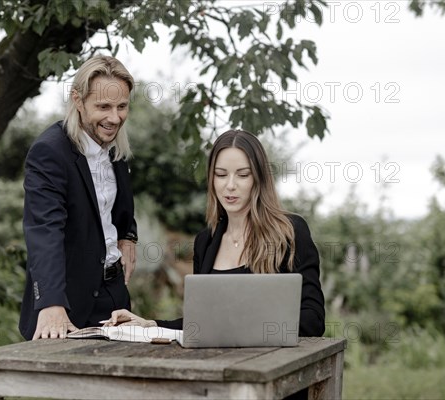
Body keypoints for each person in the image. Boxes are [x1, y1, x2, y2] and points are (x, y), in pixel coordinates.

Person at [107, 129, 325, 337]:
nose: (230, 185)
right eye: (221, 175)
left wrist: (243, 328)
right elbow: (201, 323)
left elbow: (313, 320)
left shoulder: (289, 232)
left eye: (242, 175)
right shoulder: (206, 241)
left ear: (258, 179)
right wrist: (150, 325)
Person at [19, 55, 139, 341]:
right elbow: (44, 232)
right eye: (103, 107)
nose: (115, 118)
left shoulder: (113, 145)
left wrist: (129, 235)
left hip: (115, 298)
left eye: (122, 107)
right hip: (66, 304)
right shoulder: (49, 152)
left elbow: (116, 206)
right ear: (77, 99)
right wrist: (50, 303)